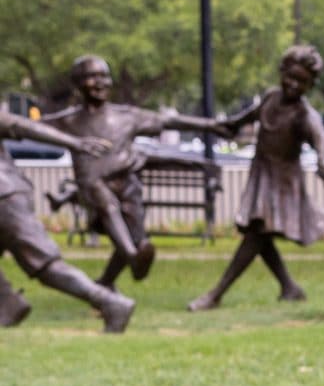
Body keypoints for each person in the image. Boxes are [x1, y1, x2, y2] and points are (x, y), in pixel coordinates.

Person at [41, 55, 228, 291]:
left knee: (137, 239)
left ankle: (106, 283)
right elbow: (28, 127)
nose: (100, 83)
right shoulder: (67, 121)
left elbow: (168, 121)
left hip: (127, 185)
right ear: (78, 83)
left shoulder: (126, 116)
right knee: (107, 205)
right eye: (92, 77)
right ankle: (132, 258)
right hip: (93, 188)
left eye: (104, 76)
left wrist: (210, 125)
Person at [186, 47, 324, 310]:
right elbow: (241, 120)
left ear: (311, 85)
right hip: (262, 174)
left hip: (283, 182)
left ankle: (216, 294)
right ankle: (289, 287)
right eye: (290, 77)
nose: (293, 84)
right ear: (282, 72)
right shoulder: (270, 98)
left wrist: (323, 162)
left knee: (256, 235)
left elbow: (319, 139)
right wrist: (208, 125)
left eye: (302, 81)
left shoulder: (304, 114)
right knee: (261, 234)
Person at [0, 119, 136, 330]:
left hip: (4, 198)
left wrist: (74, 143)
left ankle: (110, 302)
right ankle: (8, 302)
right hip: (8, 194)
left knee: (44, 263)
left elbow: (20, 126)